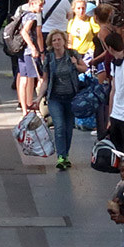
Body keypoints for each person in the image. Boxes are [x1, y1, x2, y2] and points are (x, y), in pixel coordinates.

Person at [39, 29, 89, 169]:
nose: (56, 42)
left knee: (68, 128)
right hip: (55, 98)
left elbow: (85, 69)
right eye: (54, 40)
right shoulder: (49, 58)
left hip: (71, 97)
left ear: (64, 41)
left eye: (59, 39)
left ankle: (65, 155)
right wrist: (38, 98)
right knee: (59, 126)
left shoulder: (72, 54)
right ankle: (61, 157)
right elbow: (45, 80)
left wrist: (75, 64)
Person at [17, 0, 44, 114]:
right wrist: (34, 47)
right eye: (40, 5)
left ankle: (24, 108)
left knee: (23, 80)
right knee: (40, 78)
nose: (41, 8)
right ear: (32, 4)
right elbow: (25, 32)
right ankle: (37, 103)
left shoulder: (23, 14)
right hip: (29, 52)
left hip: (21, 51)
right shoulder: (33, 16)